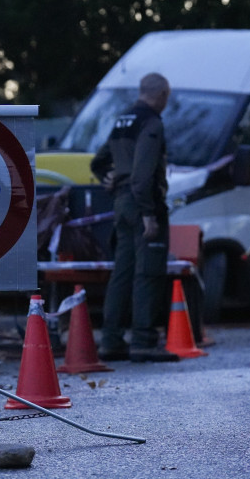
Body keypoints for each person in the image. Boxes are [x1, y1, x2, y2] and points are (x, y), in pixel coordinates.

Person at [89, 72, 178, 363]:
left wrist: (109, 177)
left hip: (121, 204)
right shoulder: (151, 123)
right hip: (142, 204)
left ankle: (111, 341)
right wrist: (149, 213)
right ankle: (143, 341)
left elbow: (98, 161)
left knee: (122, 273)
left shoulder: (122, 120)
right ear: (162, 94)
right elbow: (142, 173)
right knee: (148, 274)